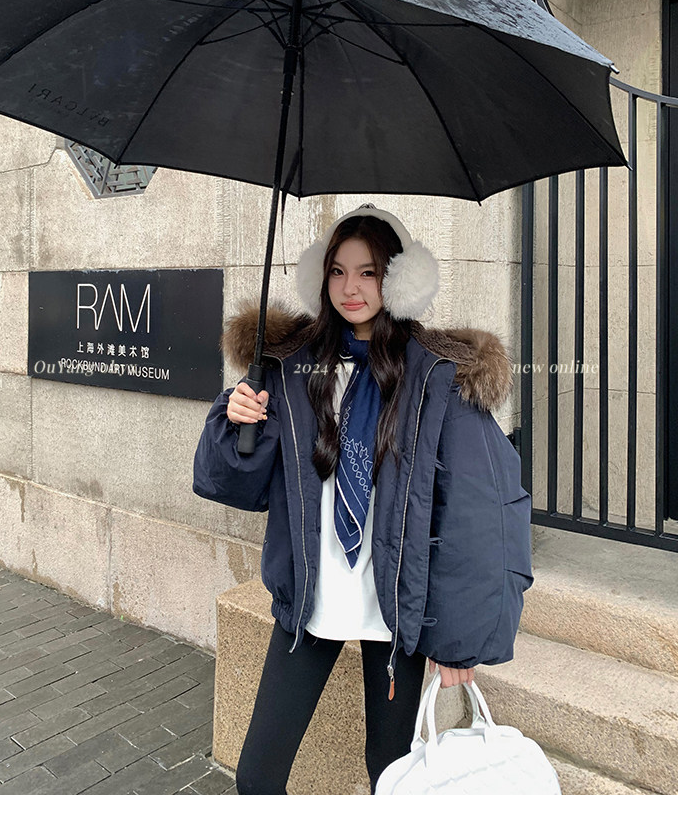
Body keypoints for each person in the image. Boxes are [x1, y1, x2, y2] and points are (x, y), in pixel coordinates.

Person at [193, 204, 534, 795]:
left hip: (393, 609)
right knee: (257, 776)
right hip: (311, 599)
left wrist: (459, 642)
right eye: (337, 271)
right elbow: (237, 484)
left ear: (399, 279)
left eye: (369, 272)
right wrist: (236, 421)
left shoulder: (438, 376)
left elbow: (479, 513)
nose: (350, 288)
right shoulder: (290, 368)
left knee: (389, 774)